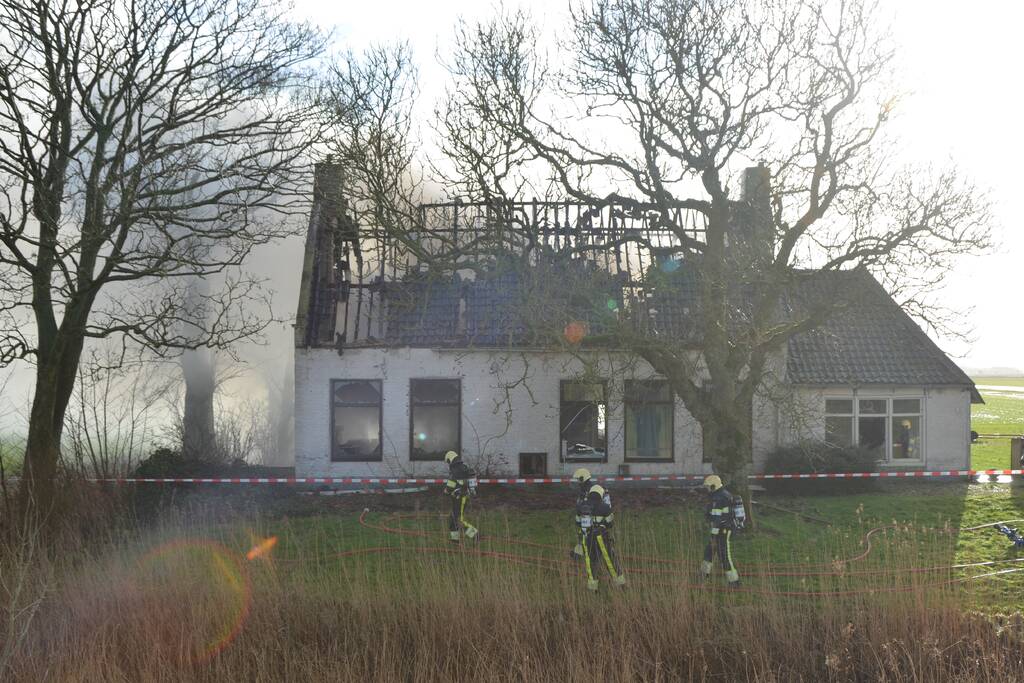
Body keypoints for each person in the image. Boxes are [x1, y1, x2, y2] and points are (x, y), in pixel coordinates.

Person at [575, 480, 626, 591]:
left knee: (591, 562)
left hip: (587, 538)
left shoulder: (581, 506)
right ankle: (619, 584)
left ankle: (593, 588)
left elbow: (578, 522)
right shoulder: (605, 507)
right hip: (601, 537)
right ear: (601, 494)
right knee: (609, 559)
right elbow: (610, 523)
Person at [701, 474, 744, 588]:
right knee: (708, 552)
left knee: (724, 556)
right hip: (716, 531)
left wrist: (711, 522)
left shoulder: (722, 497)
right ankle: (703, 574)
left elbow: (721, 518)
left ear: (714, 486)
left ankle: (734, 581)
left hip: (723, 531)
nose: (707, 489)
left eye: (708, 487)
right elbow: (713, 515)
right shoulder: (716, 496)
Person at [443, 450, 478, 542]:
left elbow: (450, 485)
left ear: (450, 459)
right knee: (453, 519)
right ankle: (455, 540)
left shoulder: (455, 470)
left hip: (460, 498)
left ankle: (475, 534)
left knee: (459, 520)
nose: (448, 463)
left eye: (448, 461)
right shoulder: (463, 467)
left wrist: (446, 491)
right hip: (459, 497)